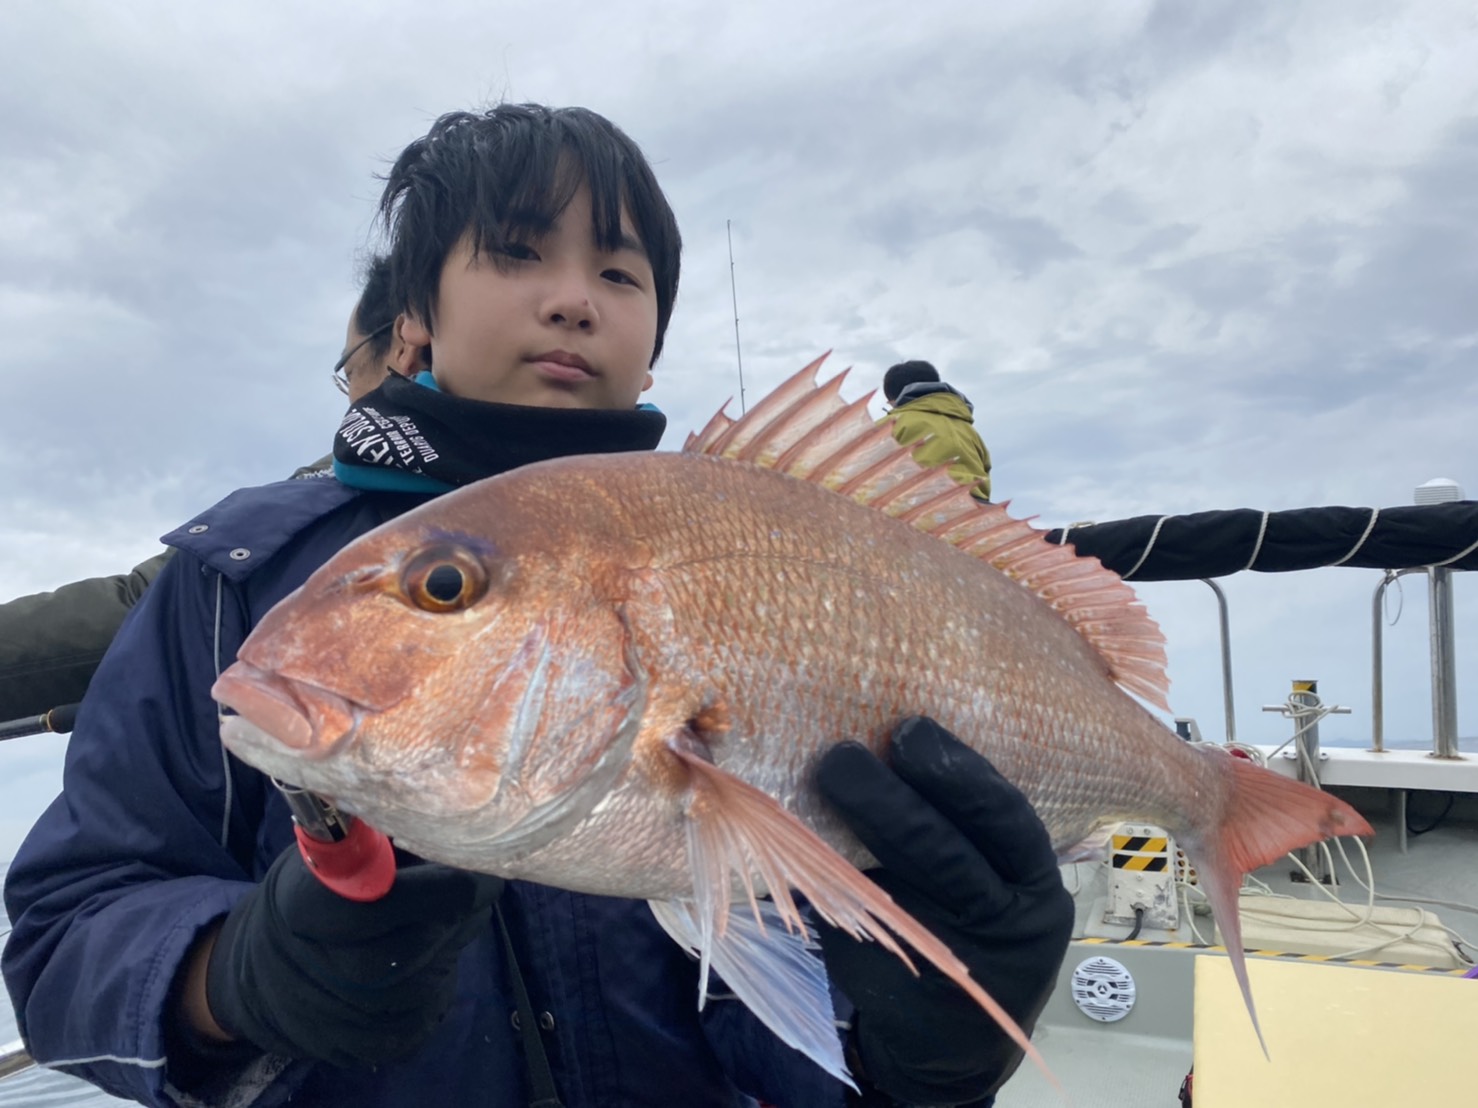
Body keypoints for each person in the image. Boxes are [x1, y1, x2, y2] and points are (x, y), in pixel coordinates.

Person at [3, 104, 1071, 1108]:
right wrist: (231, 974)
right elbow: (65, 927)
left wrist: (922, 1054)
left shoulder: (771, 534)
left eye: (618, 271)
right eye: (516, 253)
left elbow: (790, 1011)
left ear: (651, 333)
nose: (573, 298)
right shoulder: (234, 581)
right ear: (413, 314)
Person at [0, 257, 400, 724]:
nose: (349, 404)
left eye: (348, 375)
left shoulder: (336, 498)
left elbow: (151, 606)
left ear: (404, 344)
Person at [880, 359, 992, 501]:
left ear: (892, 402)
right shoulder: (970, 432)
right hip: (977, 510)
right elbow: (985, 469)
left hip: (920, 507)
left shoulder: (889, 425)